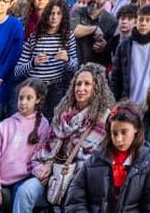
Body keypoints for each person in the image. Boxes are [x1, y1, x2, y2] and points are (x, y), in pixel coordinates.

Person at [16, 67, 112, 213]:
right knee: (24, 192)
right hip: (53, 174)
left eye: (87, 84)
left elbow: (93, 160)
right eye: (78, 84)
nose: (81, 88)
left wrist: (70, 175)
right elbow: (49, 148)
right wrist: (47, 166)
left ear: (96, 88)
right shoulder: (63, 112)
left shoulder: (103, 117)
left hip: (79, 180)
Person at [61, 104, 150, 213]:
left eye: (124, 132)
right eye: (115, 133)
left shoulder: (147, 164)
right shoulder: (95, 160)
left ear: (136, 128)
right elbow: (75, 201)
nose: (119, 139)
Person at [0, 78, 50, 213]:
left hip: (23, 179)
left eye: (29, 98)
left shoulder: (43, 125)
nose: (23, 102)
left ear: (37, 100)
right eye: (21, 98)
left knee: (13, 199)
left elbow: (39, 156)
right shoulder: (5, 125)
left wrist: (41, 172)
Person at [14, 0, 77, 113]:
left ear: (64, 17)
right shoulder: (35, 36)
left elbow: (75, 67)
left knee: (53, 119)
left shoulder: (68, 37)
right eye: (51, 13)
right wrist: (33, 63)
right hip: (34, 87)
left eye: (59, 13)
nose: (54, 17)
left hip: (56, 88)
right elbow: (17, 71)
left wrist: (67, 60)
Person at [109, 5, 150, 105]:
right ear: (136, 21)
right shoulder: (124, 45)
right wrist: (113, 103)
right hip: (128, 102)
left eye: (148, 20)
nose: (143, 23)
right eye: (141, 19)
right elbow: (116, 77)